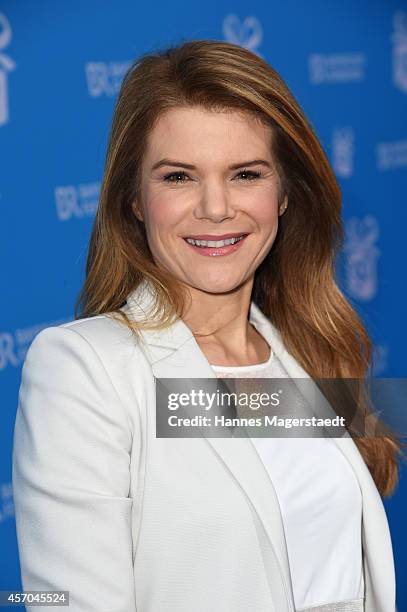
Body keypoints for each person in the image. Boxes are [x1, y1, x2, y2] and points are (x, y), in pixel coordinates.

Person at [12, 39, 404, 612]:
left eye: (246, 173)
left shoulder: (308, 346)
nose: (216, 207)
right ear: (135, 201)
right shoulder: (83, 369)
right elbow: (66, 602)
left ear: (286, 194)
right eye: (178, 177)